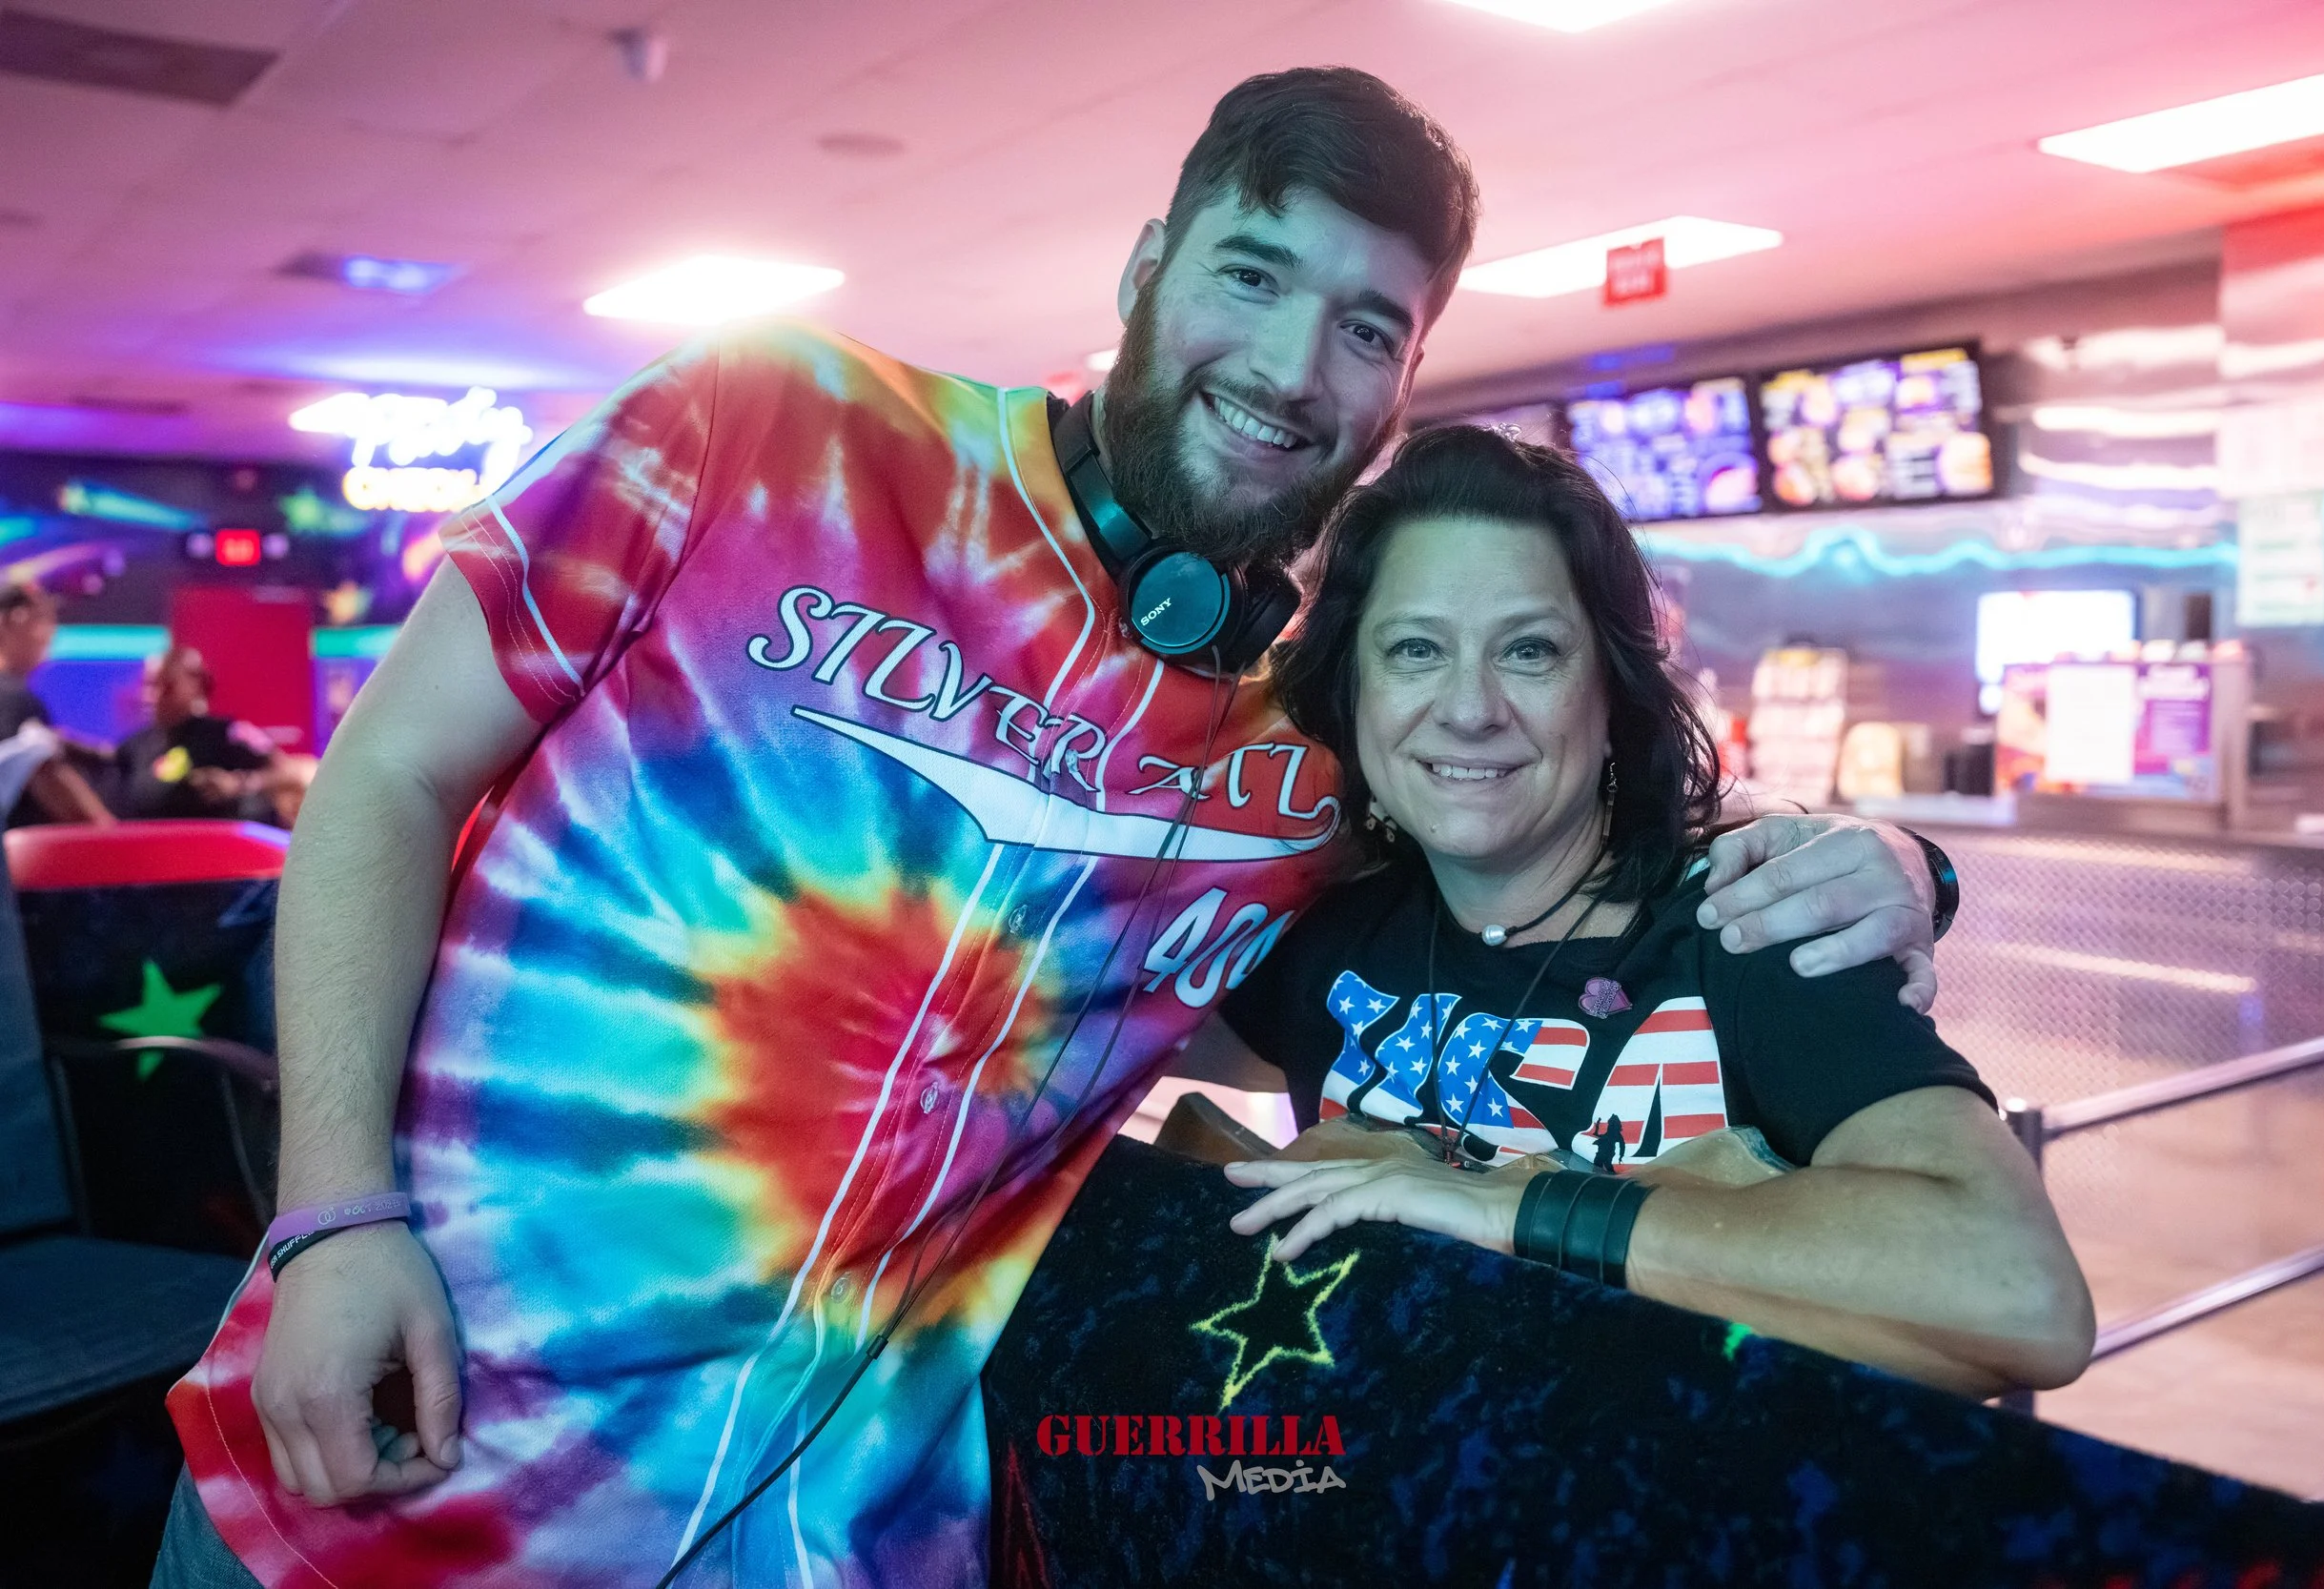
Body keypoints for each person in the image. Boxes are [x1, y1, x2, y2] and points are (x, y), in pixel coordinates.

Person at [154, 71, 1945, 1588]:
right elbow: (387, 777)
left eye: (1368, 327)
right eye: (1254, 273)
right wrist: (326, 1214)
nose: (1293, 366)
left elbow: (1543, 866)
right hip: (398, 1434)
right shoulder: (777, 422)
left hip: (827, 1535)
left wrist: (1903, 863)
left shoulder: (1309, 747)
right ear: (1149, 268)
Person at [1190, 426, 2091, 1398]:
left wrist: (1510, 1202)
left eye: (1529, 650)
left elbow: (2019, 1296)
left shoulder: (1744, 927)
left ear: (1610, 692)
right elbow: (1040, 1038)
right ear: (1350, 689)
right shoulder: (1324, 935)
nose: (1468, 706)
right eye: (1413, 649)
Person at [110, 647, 304, 823]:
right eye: (150, 685)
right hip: (153, 853)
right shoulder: (133, 748)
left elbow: (291, 773)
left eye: (168, 686)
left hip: (218, 853)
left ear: (196, 686)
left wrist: (238, 783)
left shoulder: (226, 733)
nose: (155, 696)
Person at [0, 581, 112, 828]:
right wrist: (111, 839)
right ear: (13, 621)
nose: (51, 634)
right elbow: (45, 775)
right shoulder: (11, 697)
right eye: (43, 620)